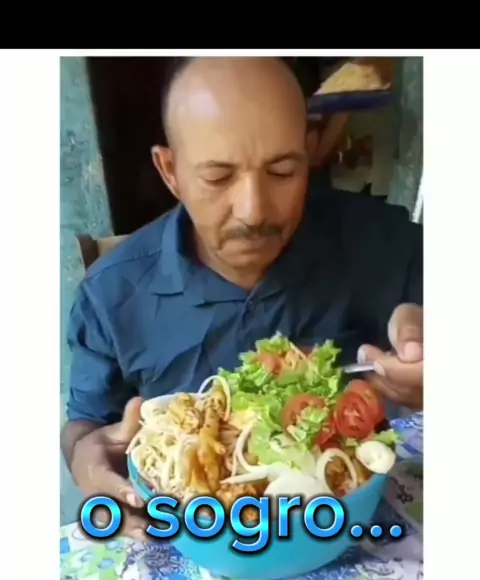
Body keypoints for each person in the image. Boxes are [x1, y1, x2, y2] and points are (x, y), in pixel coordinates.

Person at [61, 56, 423, 540]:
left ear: (309, 153)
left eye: (282, 171)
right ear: (170, 171)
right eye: (218, 177)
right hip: (191, 540)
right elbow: (86, 425)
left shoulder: (385, 242)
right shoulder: (110, 296)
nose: (254, 211)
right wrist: (84, 457)